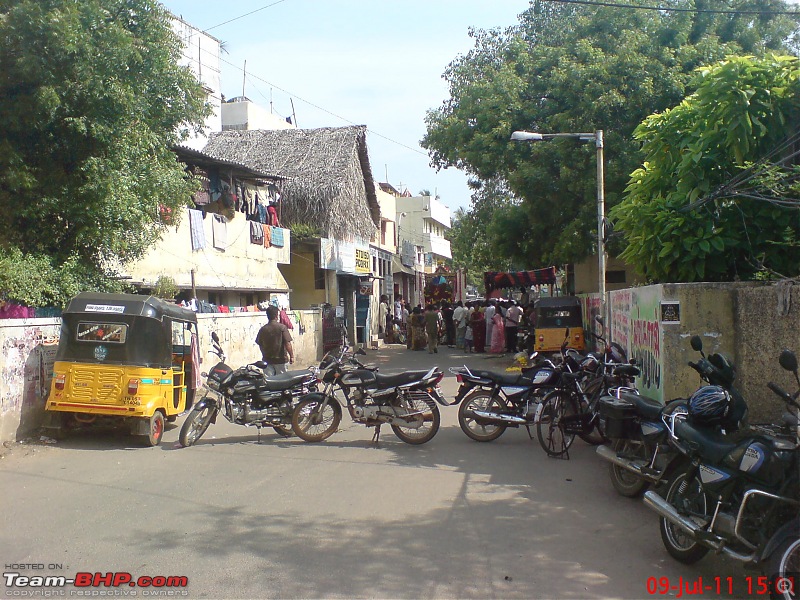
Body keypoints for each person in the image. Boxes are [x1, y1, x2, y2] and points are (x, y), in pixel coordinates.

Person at [255, 305, 294, 375]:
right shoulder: (282, 328)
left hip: (267, 361)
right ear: (276, 316)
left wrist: (265, 354)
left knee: (270, 383)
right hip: (281, 361)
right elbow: (287, 343)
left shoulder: (263, 329)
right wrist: (292, 356)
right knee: (282, 382)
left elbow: (260, 344)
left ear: (267, 316)